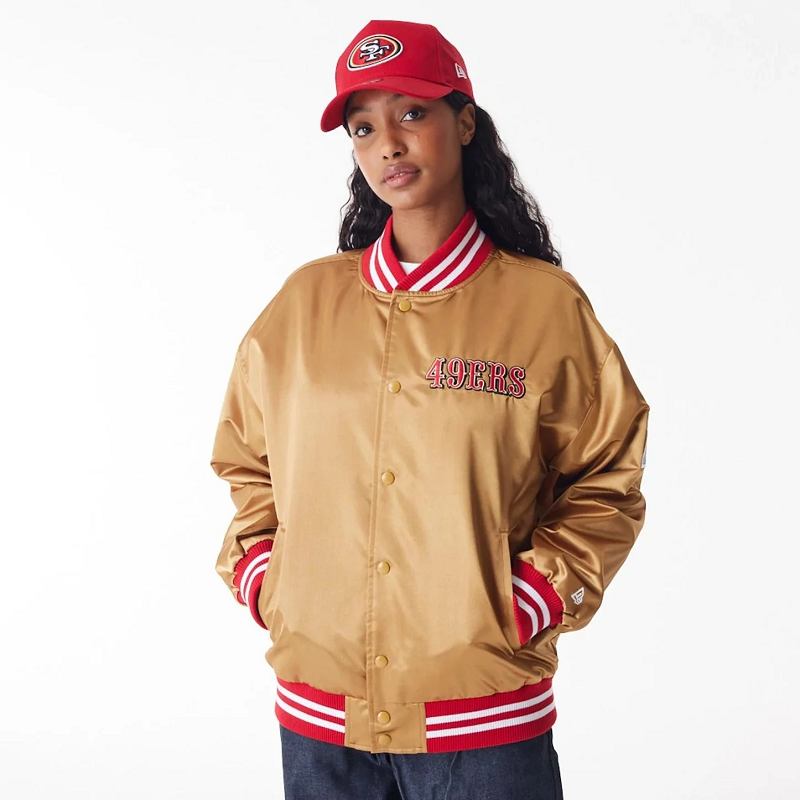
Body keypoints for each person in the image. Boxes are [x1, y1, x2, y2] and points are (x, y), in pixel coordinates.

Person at [210, 18, 650, 800]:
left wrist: (536, 598)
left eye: (412, 113)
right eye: (363, 127)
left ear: (465, 122)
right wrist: (265, 578)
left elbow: (607, 479)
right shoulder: (304, 304)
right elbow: (247, 460)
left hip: (483, 724)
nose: (389, 144)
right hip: (319, 724)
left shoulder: (544, 308)